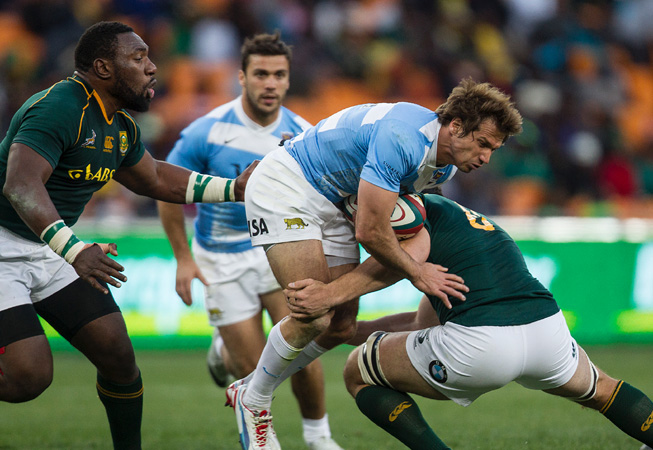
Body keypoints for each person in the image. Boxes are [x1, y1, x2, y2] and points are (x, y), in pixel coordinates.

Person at [226, 78, 523, 449]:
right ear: (456, 126)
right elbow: (370, 230)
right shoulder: (403, 139)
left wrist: (417, 260)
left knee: (339, 327)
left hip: (335, 200)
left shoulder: (443, 168)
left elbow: (404, 228)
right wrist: (417, 271)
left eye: (493, 149)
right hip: (288, 186)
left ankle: (251, 387)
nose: (485, 158)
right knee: (314, 315)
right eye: (482, 144)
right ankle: (255, 401)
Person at [0, 21, 255, 450]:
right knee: (30, 377)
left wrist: (235, 189)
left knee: (118, 354)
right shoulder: (61, 106)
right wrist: (75, 249)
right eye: (138, 58)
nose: (152, 67)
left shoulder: (118, 125)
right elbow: (21, 185)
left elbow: (154, 178)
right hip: (9, 243)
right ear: (103, 67)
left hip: (49, 246)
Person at [284, 193, 653, 450]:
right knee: (603, 389)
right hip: (545, 329)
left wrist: (332, 299)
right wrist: (349, 331)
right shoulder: (465, 222)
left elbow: (385, 252)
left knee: (358, 371)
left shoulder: (408, 220)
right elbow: (420, 324)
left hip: (480, 346)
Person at [157, 32, 342, 450]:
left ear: (289, 80)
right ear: (241, 77)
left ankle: (319, 438)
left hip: (278, 250)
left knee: (303, 343)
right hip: (220, 260)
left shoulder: (304, 133)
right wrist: (183, 259)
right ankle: (224, 354)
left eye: (279, 74)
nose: (270, 83)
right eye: (261, 74)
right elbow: (167, 192)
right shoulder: (206, 132)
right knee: (254, 369)